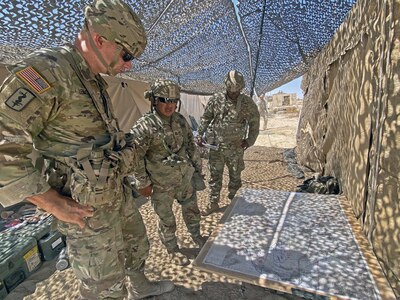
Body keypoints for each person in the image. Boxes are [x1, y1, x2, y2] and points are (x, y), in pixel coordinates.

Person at [0, 1, 174, 299]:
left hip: (114, 195)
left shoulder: (93, 80)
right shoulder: (49, 70)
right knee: (103, 286)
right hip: (86, 210)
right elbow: (5, 139)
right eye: (127, 54)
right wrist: (50, 201)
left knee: (136, 247)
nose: (129, 64)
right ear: (99, 39)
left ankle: (141, 287)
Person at [130, 80, 207, 262]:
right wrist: (142, 182)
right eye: (165, 100)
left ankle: (197, 236)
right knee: (167, 219)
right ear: (155, 100)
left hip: (184, 179)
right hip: (160, 185)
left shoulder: (180, 120)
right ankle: (172, 249)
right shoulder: (144, 126)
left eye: (174, 100)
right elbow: (135, 157)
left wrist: (197, 169)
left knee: (192, 210)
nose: (170, 105)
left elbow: (190, 146)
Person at [196, 70, 260, 215]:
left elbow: (255, 122)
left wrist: (249, 141)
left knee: (235, 177)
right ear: (226, 86)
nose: (234, 94)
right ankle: (213, 203)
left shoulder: (247, 103)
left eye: (237, 91)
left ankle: (235, 203)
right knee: (214, 177)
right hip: (216, 147)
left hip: (236, 149)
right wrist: (200, 134)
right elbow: (206, 118)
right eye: (231, 91)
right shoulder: (216, 99)